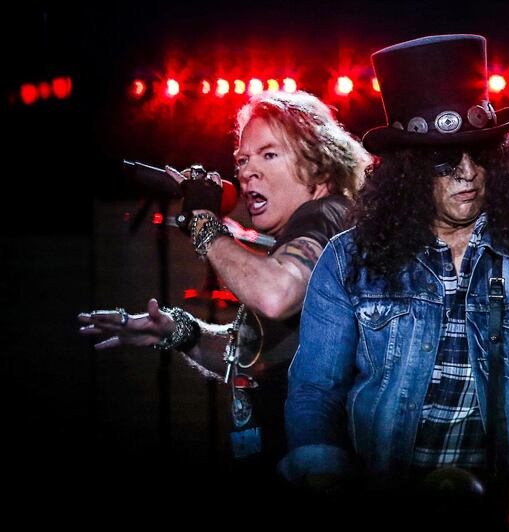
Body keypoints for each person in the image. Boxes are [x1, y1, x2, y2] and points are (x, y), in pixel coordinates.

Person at [279, 35, 509, 512]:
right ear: (407, 172)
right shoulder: (347, 260)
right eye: (445, 160)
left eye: (480, 153)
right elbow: (315, 389)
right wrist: (322, 471)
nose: (469, 173)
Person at [78, 90, 371, 478]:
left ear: (320, 167)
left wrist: (203, 222)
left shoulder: (326, 216)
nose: (248, 171)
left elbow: (275, 295)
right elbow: (258, 358)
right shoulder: (297, 235)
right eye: (243, 160)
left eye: (269, 154)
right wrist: (182, 332)